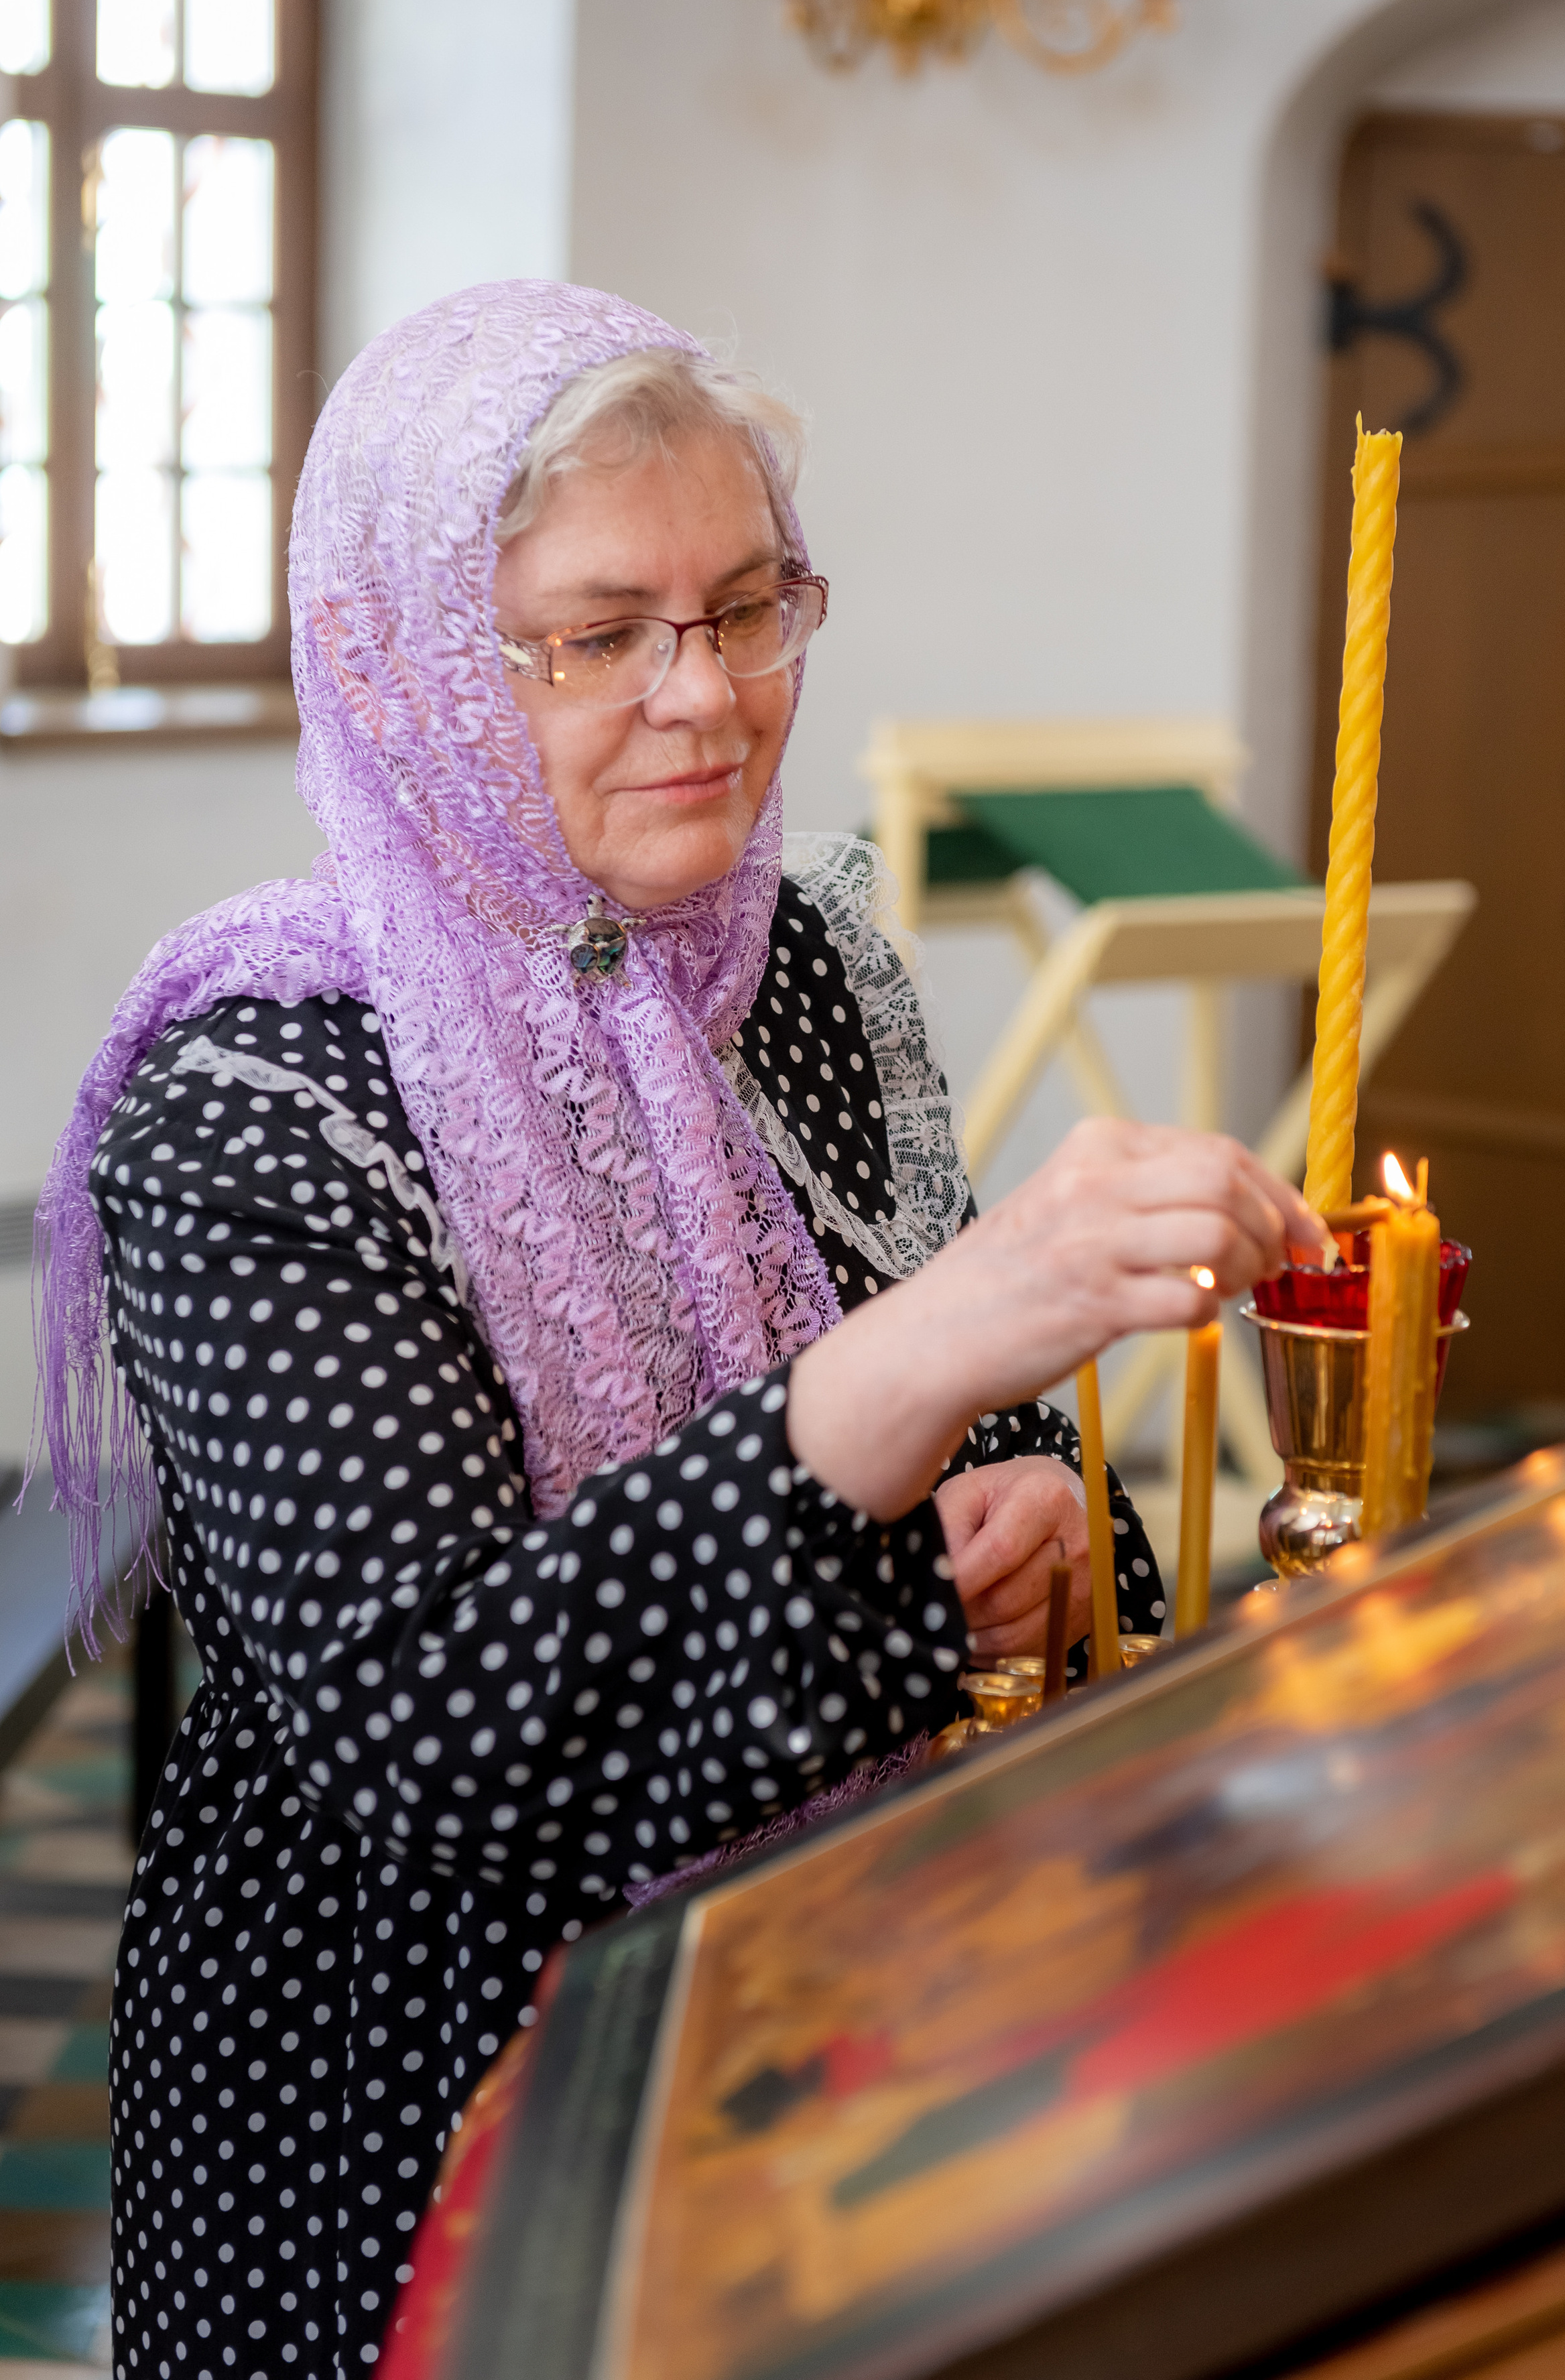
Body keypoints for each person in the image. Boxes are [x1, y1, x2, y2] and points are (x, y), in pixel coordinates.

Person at [33, 283, 1322, 2380]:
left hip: (848, 2050)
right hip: (411, 2122)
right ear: (406, 666)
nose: (704, 695)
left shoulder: (798, 959)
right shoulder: (252, 1105)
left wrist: (1050, 1541)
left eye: (748, 606)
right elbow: (434, 1725)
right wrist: (920, 1375)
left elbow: (1016, 1503)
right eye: (600, 633)